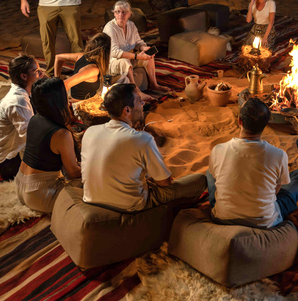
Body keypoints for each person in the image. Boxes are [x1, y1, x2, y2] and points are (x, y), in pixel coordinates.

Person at [81, 83, 206, 212]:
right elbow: (164, 182)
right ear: (127, 110)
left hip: (91, 199)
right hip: (130, 204)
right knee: (199, 180)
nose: (142, 105)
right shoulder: (142, 139)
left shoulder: (90, 132)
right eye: (139, 102)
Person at [207, 98, 298, 229]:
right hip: (264, 222)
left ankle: (216, 205)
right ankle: (286, 213)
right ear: (266, 124)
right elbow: (275, 191)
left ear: (240, 121)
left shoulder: (218, 150)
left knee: (210, 172)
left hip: (222, 219)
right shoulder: (278, 155)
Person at [15, 77, 82, 214]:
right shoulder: (61, 134)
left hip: (20, 183)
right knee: (93, 185)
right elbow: (73, 172)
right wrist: (94, 167)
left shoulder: (34, 119)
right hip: (39, 193)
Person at [0, 54, 43, 180]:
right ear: (24, 76)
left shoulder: (23, 91)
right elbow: (30, 138)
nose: (41, 74)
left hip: (10, 151)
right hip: (7, 160)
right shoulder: (18, 102)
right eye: (37, 71)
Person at [54, 33, 154, 102]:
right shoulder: (92, 70)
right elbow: (64, 86)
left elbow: (58, 57)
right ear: (105, 52)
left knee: (123, 78)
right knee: (121, 88)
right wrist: (66, 110)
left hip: (85, 93)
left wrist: (56, 77)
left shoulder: (81, 56)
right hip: (84, 104)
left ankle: (137, 95)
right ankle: (137, 99)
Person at [103, 0, 162, 92]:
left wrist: (144, 48)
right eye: (118, 12)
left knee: (149, 56)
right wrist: (137, 56)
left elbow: (138, 42)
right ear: (114, 14)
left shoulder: (131, 25)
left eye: (124, 12)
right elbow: (114, 52)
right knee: (125, 62)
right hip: (113, 62)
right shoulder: (110, 28)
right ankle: (136, 90)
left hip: (130, 57)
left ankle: (154, 84)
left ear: (129, 14)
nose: (120, 15)